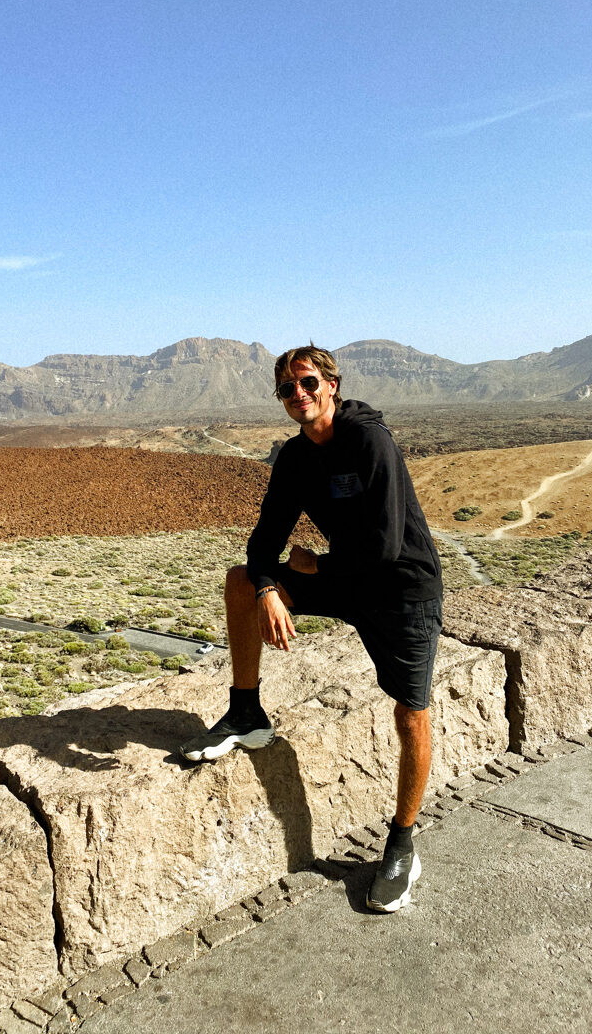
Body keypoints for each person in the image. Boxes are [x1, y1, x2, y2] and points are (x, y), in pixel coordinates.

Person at [180, 344, 443, 913]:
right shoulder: (296, 458)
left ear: (331, 384)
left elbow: (385, 547)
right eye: (287, 390)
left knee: (411, 709)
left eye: (306, 383)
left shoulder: (370, 441)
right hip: (346, 578)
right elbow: (262, 542)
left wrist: (315, 567)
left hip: (402, 589)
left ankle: (401, 843)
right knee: (239, 582)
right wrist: (270, 588)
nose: (298, 396)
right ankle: (246, 711)